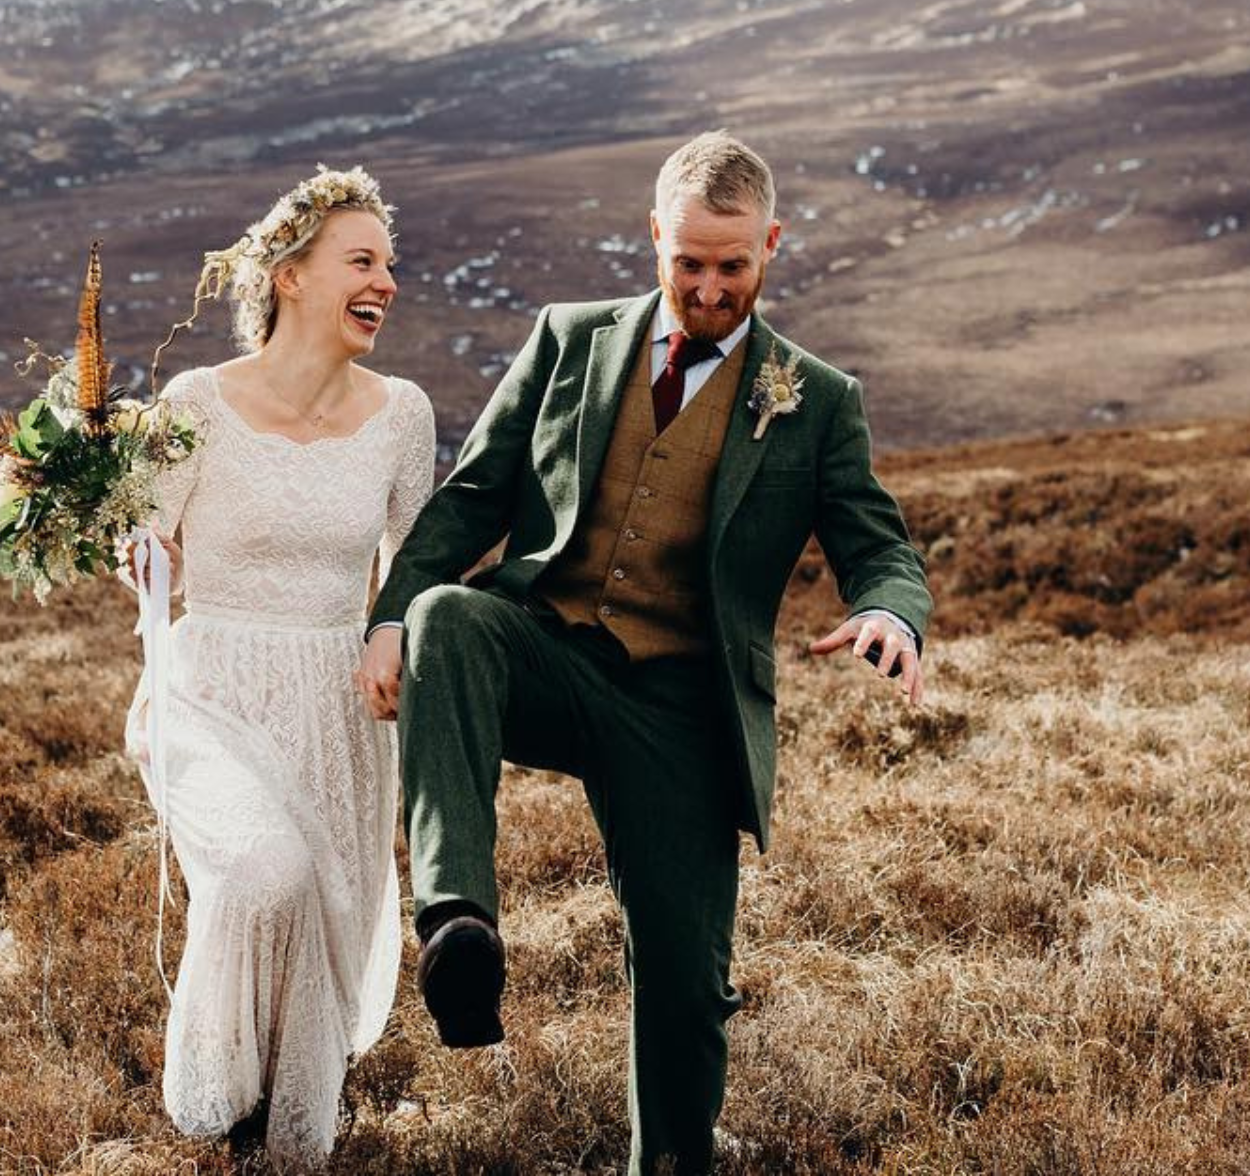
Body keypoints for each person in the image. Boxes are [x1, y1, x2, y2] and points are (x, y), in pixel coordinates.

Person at [355, 130, 930, 1176]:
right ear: (655, 236)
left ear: (773, 245)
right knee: (447, 613)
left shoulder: (817, 400)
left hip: (680, 707)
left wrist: (893, 611)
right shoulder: (568, 340)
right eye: (689, 262)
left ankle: (668, 1164)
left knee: (684, 976)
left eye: (734, 265)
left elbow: (877, 543)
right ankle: (458, 925)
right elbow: (475, 496)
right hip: (545, 652)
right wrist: (388, 617)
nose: (709, 288)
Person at [124, 166, 436, 1164]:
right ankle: (215, 1095)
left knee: (323, 921)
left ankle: (283, 1139)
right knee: (266, 874)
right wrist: (124, 540)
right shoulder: (195, 403)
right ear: (290, 276)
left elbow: (414, 571)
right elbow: (147, 551)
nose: (385, 280)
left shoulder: (402, 415)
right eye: (361, 260)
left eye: (389, 264)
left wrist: (398, 637)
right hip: (209, 692)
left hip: (338, 708)